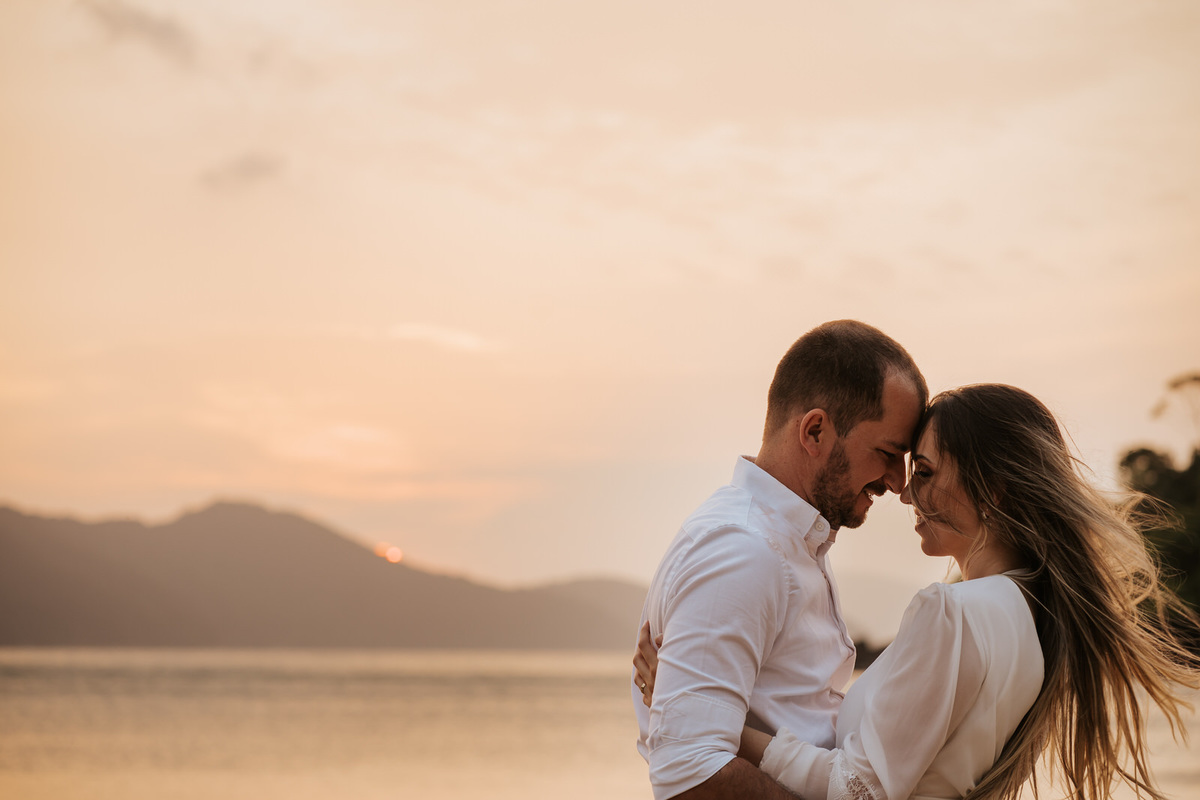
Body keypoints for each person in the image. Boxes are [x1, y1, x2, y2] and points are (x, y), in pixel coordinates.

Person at [636, 383, 1200, 800]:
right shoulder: (1026, 616)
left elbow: (858, 789)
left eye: (924, 472)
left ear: (994, 490)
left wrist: (702, 716)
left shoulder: (950, 613)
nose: (905, 493)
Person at [633, 320, 928, 800]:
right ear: (815, 431)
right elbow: (689, 772)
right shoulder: (743, 551)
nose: (898, 482)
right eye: (888, 453)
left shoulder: (790, 545)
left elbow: (796, 719)